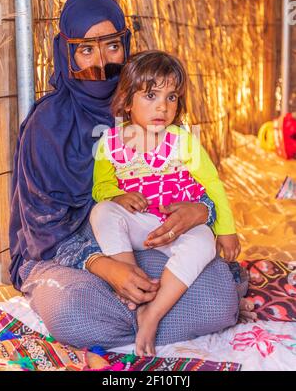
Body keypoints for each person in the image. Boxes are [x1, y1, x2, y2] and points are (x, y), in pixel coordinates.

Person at [8, 0, 254, 351]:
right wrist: (105, 267)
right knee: (71, 310)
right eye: (86, 49)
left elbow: (182, 179)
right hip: (66, 258)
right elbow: (43, 229)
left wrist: (202, 210)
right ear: (67, 52)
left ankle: (142, 317)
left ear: (126, 45)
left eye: (112, 46)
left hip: (139, 237)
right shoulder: (49, 123)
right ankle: (145, 315)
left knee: (217, 297)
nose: (103, 61)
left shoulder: (142, 102)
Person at [90, 50, 240, 356]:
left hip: (178, 227)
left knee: (203, 241)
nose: (162, 106)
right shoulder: (110, 143)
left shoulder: (182, 140)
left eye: (171, 97)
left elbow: (211, 183)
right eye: (151, 95)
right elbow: (100, 187)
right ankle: (134, 282)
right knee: (102, 212)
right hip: (141, 224)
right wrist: (117, 197)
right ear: (128, 102)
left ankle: (152, 312)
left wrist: (226, 228)